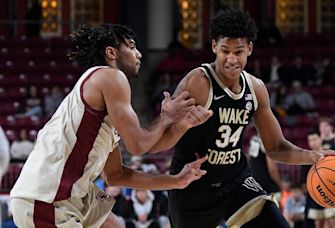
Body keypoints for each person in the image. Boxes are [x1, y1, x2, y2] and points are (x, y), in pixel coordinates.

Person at [149, 9, 335, 228]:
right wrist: (177, 123)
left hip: (236, 182)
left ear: (250, 49)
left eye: (239, 51)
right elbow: (159, 144)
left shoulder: (255, 88)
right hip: (193, 186)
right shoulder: (197, 84)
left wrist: (315, 157)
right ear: (214, 47)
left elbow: (275, 147)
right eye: (225, 50)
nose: (232, 59)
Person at [9, 24, 212, 228]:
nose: (139, 54)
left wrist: (176, 179)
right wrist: (166, 117)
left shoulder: (102, 114)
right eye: (132, 47)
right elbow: (138, 145)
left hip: (74, 196)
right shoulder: (110, 77)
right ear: (111, 52)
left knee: (114, 224)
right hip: (46, 197)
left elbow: (116, 175)